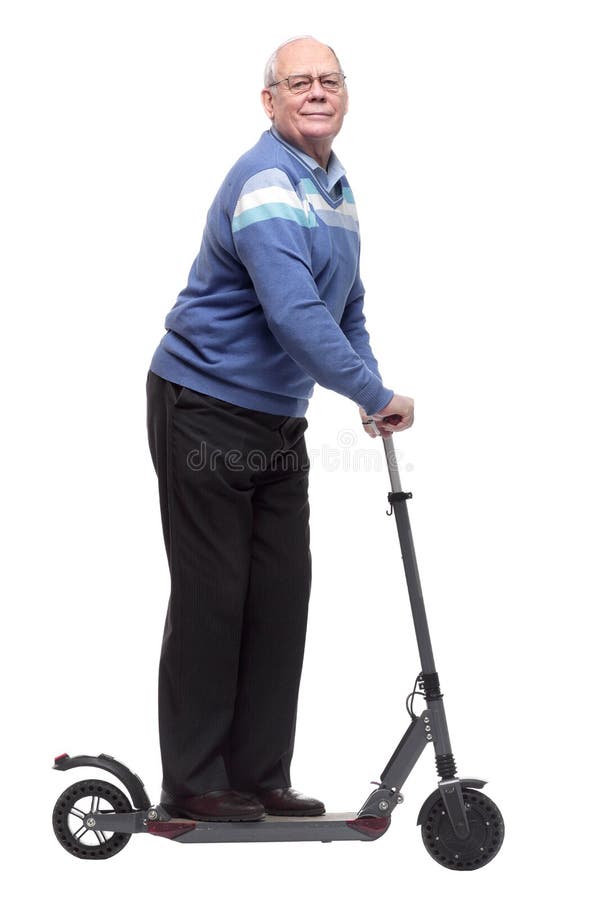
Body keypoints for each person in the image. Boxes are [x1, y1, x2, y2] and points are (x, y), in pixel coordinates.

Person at [146, 35, 414, 823]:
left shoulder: (333, 186)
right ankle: (194, 781)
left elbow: (346, 305)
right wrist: (374, 389)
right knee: (215, 597)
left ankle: (260, 775)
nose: (317, 92)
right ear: (270, 101)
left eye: (330, 80)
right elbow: (294, 314)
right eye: (299, 83)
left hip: (275, 421)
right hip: (202, 405)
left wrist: (369, 392)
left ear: (345, 95)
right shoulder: (267, 181)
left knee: (279, 596)